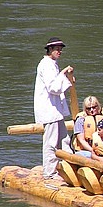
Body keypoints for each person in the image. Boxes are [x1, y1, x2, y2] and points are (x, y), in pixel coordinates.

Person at [34, 37, 74, 180]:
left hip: (55, 111)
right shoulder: (46, 64)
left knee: (64, 140)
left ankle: (68, 169)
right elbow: (54, 87)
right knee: (51, 142)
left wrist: (66, 78)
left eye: (61, 49)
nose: (60, 51)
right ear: (50, 49)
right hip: (49, 111)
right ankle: (50, 173)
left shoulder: (52, 64)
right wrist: (64, 75)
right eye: (57, 49)